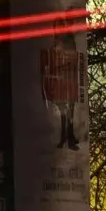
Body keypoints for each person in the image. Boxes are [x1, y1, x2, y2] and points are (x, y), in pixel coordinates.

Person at [40, 21, 85, 150]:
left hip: (68, 80)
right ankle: (65, 138)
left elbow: (72, 59)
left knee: (69, 111)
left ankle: (68, 139)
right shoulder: (56, 42)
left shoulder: (68, 41)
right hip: (60, 81)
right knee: (63, 112)